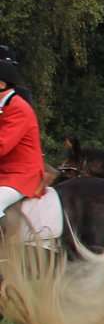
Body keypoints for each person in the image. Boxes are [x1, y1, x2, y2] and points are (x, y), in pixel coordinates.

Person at [0, 49, 46, 225]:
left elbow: (2, 145)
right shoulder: (3, 106)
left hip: (21, 175)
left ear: (2, 84)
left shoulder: (19, 109)